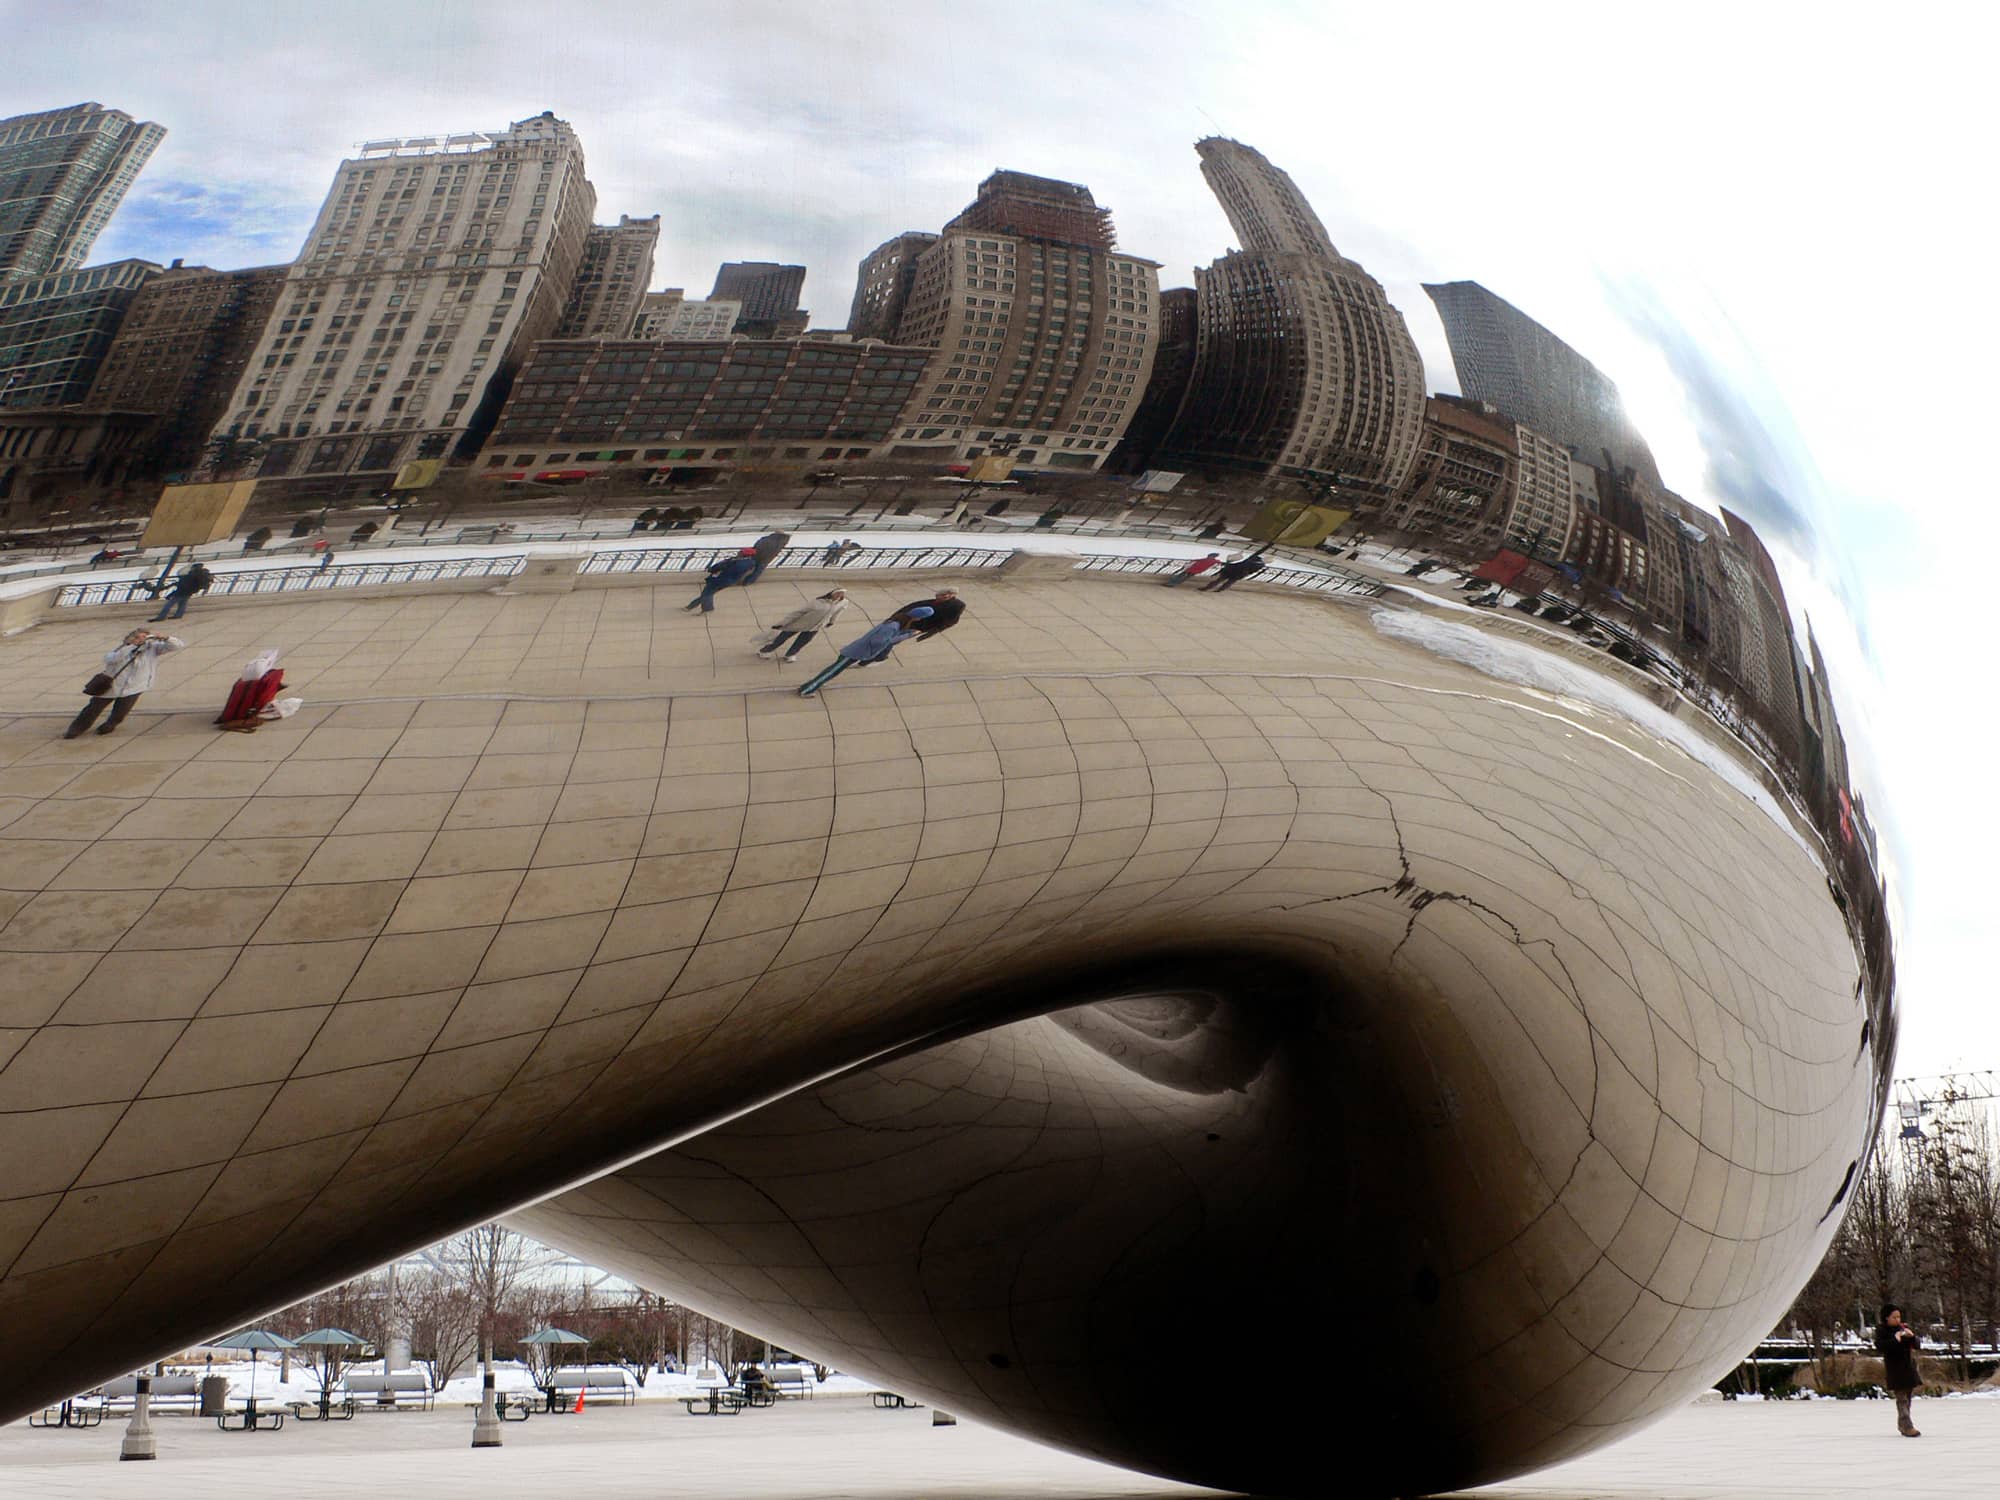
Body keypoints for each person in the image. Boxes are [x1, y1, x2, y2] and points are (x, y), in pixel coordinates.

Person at [64, 629, 185, 739]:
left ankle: (109, 726)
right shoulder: (121, 649)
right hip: (112, 686)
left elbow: (178, 645)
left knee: (120, 712)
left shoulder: (152, 649)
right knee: (93, 709)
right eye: (138, 637)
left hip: (135, 687)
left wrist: (165, 638)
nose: (142, 639)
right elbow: (112, 659)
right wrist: (132, 646)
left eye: (145, 637)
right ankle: (76, 729)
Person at [797, 605, 933, 698]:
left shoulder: (895, 621)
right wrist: (907, 636)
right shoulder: (893, 626)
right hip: (856, 651)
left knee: (834, 670)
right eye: (921, 617)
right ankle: (807, 690)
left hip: (856, 650)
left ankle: (812, 684)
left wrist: (908, 632)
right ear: (916, 616)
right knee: (833, 670)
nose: (920, 620)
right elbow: (881, 641)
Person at [758, 589, 849, 664]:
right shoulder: (817, 602)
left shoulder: (843, 603)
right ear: (831, 594)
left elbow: (837, 613)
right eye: (837, 593)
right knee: (782, 637)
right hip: (800, 623)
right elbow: (799, 612)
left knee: (803, 641)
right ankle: (765, 651)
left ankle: (790, 654)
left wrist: (832, 622)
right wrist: (783, 622)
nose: (839, 596)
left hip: (815, 626)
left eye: (841, 594)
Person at [1875, 1305, 1923, 1437]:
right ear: (1886, 1318)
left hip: (1908, 1368)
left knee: (1907, 1398)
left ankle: (1902, 1424)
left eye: (1898, 1317)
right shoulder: (1882, 1331)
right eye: (1894, 1317)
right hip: (1895, 1369)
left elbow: (1917, 1345)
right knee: (1901, 1398)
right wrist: (1895, 1339)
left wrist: (1912, 1337)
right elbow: (1880, 1346)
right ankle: (1907, 1426)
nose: (1897, 1319)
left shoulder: (1903, 1328)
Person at [685, 549, 758, 613]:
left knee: (707, 593)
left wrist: (713, 569)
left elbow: (721, 567)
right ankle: (697, 607)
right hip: (729, 581)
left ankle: (700, 607)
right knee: (709, 592)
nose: (739, 553)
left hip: (720, 579)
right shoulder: (751, 562)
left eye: (741, 552)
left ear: (744, 555)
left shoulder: (735, 562)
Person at [895, 588, 964, 640]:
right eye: (938, 595)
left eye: (940, 596)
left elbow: (950, 622)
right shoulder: (934, 602)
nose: (937, 597)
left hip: (918, 625)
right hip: (908, 621)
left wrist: (929, 634)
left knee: (894, 638)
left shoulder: (956, 606)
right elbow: (911, 606)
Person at [1201, 552, 1268, 592]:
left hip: (1233, 572)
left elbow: (1237, 565)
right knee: (1229, 582)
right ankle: (1220, 589)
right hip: (1239, 574)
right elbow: (1252, 571)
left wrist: (1228, 564)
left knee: (1220, 580)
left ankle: (1208, 587)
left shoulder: (1248, 562)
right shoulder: (1260, 565)